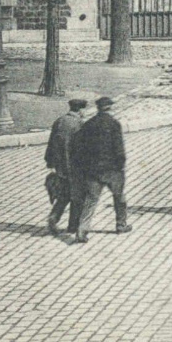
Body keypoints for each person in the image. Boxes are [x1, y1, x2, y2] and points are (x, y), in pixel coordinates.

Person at [70, 97, 131, 243]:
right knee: (119, 197)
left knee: (90, 200)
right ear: (110, 108)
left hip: (93, 171)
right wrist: (121, 166)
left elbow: (80, 148)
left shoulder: (89, 124)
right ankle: (121, 224)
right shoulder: (114, 124)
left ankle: (82, 230)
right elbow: (119, 149)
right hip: (112, 170)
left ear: (98, 108)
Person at [44, 98, 86, 235]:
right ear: (80, 110)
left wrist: (50, 162)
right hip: (74, 167)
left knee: (64, 194)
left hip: (60, 166)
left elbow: (51, 142)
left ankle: (54, 217)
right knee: (77, 196)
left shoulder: (60, 121)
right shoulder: (79, 124)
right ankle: (73, 226)